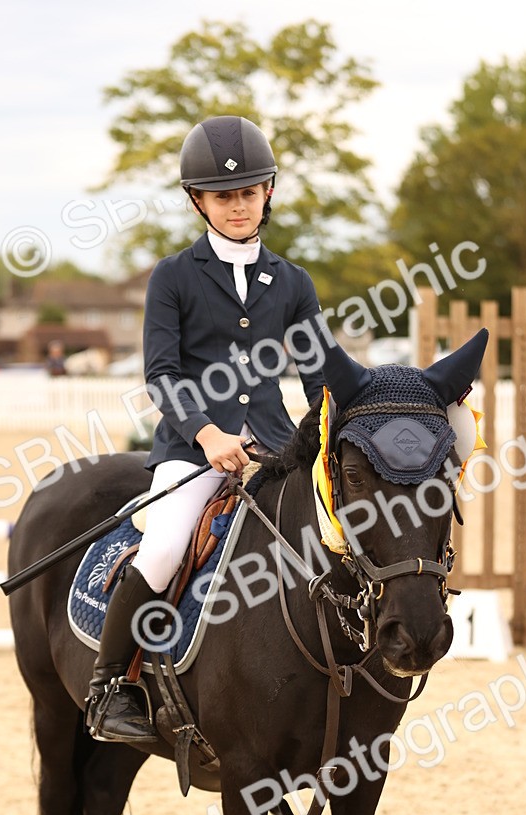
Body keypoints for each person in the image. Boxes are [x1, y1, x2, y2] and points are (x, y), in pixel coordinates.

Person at [85, 115, 326, 742]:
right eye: (224, 196)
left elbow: (321, 372)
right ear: (199, 201)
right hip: (193, 450)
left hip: (275, 450)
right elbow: (161, 374)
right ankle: (111, 686)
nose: (238, 205)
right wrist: (207, 436)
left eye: (248, 192)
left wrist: (326, 431)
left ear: (268, 191)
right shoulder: (174, 277)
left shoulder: (294, 282)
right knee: (164, 546)